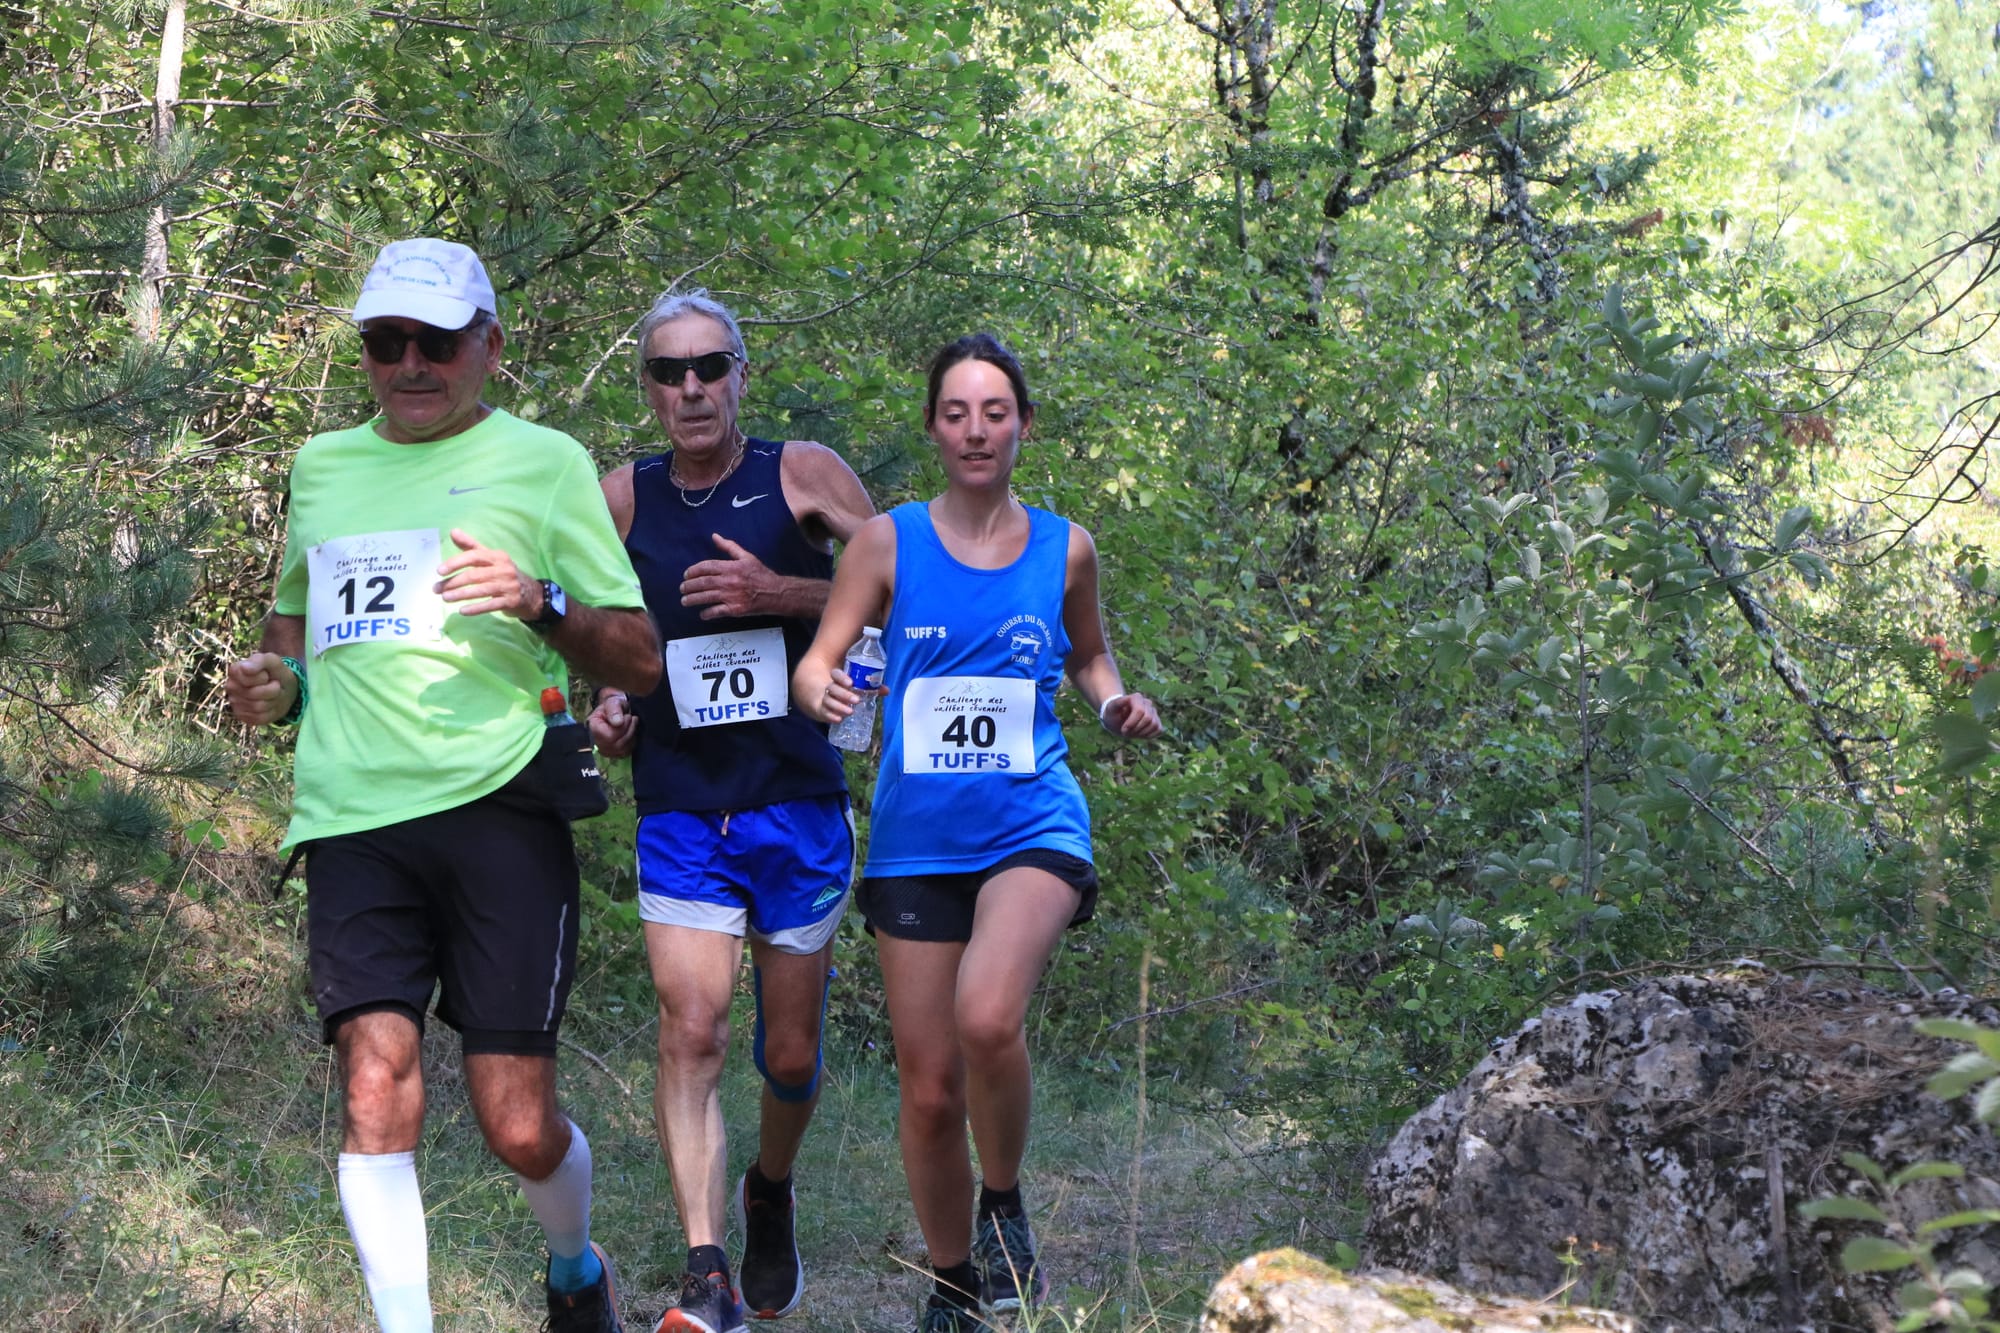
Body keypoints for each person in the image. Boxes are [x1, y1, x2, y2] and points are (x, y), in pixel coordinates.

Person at [223, 238, 661, 1333]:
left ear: (490, 347)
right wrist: (276, 684)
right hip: (354, 813)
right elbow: (293, 631)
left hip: (500, 800)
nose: (410, 363)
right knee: (374, 1081)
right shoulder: (321, 465)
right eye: (385, 342)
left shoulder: (548, 461)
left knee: (516, 1124)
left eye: (436, 341)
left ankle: (573, 1266)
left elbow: (642, 656)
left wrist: (539, 603)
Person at [792, 333, 1162, 1333]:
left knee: (987, 1016)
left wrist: (1114, 702)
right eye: (954, 412)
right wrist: (819, 687)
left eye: (994, 410)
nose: (974, 429)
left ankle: (1002, 1206)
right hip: (917, 839)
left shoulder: (1064, 545)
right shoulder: (886, 542)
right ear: (931, 428)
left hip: (1031, 819)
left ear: (1023, 424)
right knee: (927, 1090)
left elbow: (1092, 657)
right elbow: (818, 660)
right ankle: (954, 1281)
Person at [586, 290, 875, 1333]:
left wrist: (782, 596)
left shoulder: (800, 473)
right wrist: (609, 704)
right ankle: (705, 1267)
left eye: (710, 365)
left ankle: (769, 1186)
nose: (692, 387)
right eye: (670, 372)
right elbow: (599, 633)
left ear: (742, 373)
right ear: (650, 391)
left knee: (787, 1055)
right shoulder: (618, 496)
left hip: (795, 798)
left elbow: (901, 578)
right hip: (679, 806)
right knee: (692, 1027)